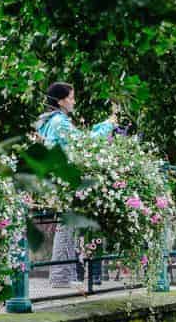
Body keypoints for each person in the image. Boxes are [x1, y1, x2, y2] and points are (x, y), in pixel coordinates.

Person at [34, 82, 117, 289]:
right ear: (61, 101)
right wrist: (107, 125)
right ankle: (61, 275)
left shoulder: (50, 121)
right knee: (67, 226)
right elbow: (83, 142)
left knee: (67, 224)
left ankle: (65, 273)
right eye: (71, 97)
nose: (74, 101)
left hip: (56, 179)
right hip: (64, 179)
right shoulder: (59, 123)